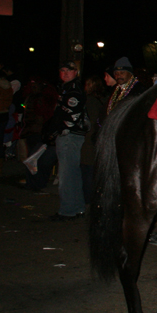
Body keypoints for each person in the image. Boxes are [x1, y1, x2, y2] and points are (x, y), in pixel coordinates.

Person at [47, 61, 87, 221]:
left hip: (69, 135)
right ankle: (77, 208)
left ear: (75, 72)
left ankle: (67, 211)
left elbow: (70, 115)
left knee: (66, 174)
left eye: (69, 70)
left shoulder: (73, 90)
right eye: (62, 70)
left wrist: (58, 129)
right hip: (70, 135)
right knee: (72, 173)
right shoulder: (66, 88)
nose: (65, 73)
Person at [80, 74, 107, 205]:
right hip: (95, 140)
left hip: (89, 141)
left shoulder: (90, 101)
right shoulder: (102, 100)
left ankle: (88, 199)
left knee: (87, 171)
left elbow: (90, 122)